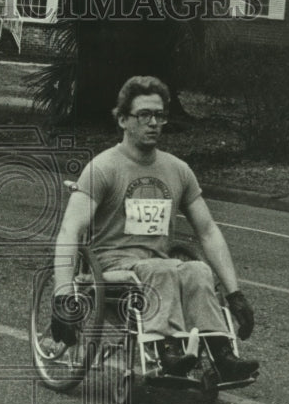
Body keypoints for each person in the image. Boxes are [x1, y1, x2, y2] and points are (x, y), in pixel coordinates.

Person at [50, 75, 259, 382]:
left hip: (159, 266)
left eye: (159, 116)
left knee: (198, 270)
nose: (153, 123)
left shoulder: (178, 170)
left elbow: (208, 231)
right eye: (144, 115)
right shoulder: (103, 168)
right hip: (113, 268)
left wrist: (235, 293)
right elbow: (70, 231)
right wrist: (62, 296)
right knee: (162, 269)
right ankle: (166, 351)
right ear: (123, 120)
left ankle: (221, 355)